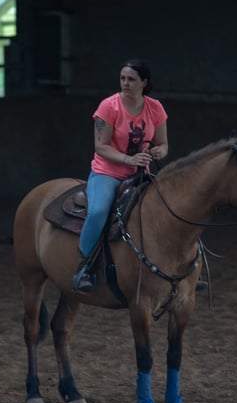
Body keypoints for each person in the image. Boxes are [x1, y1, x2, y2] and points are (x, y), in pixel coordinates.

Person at [72, 59, 169, 294]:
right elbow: (100, 146)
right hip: (108, 173)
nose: (125, 83)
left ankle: (179, 267)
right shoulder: (109, 106)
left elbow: (164, 144)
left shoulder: (155, 108)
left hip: (140, 174)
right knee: (97, 212)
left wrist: (158, 152)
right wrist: (128, 159)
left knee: (171, 207)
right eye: (123, 78)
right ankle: (84, 268)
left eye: (131, 79)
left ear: (144, 83)